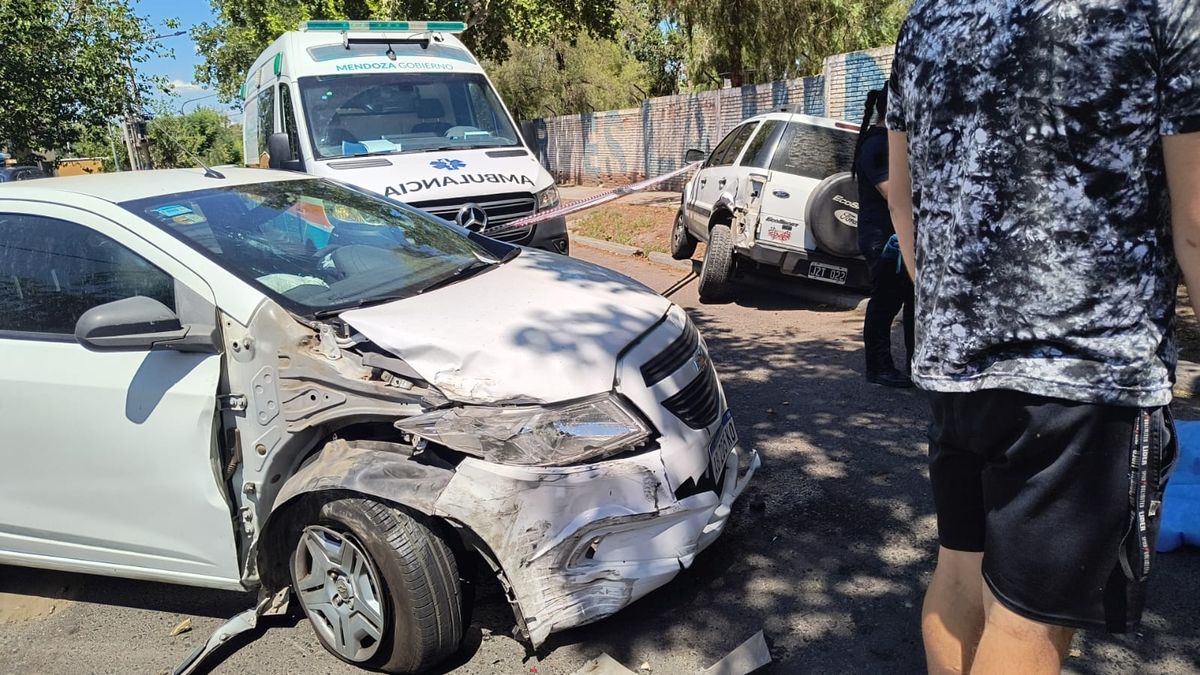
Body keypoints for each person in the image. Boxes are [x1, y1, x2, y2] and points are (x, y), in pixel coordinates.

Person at [886, 1, 1198, 673]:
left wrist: (946, 311)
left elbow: (898, 193)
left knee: (960, 576)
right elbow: (1196, 218)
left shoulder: (928, 16)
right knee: (1026, 624)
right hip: (1085, 373)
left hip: (957, 367)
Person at [853, 87, 914, 388]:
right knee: (886, 302)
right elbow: (893, 194)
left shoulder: (891, 143)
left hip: (900, 236)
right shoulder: (876, 146)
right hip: (884, 239)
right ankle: (878, 367)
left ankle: (916, 364)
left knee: (913, 301)